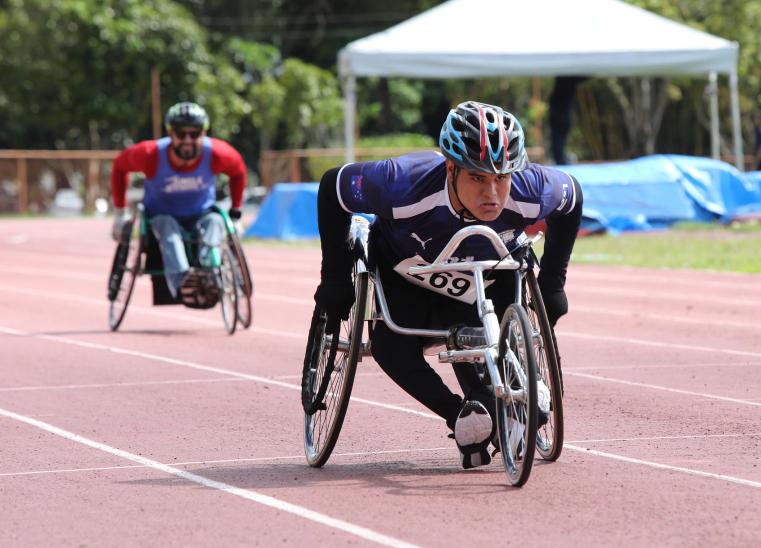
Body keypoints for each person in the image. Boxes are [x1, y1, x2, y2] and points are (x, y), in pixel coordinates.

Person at [313, 101, 583, 469]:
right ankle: (460, 416)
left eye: (502, 177)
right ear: (451, 168)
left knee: (486, 341)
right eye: (477, 177)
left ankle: (493, 401)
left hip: (488, 271)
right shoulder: (399, 182)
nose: (492, 192)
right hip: (409, 275)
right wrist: (334, 278)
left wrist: (553, 284)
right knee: (390, 347)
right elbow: (332, 187)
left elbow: (573, 199)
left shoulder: (533, 189)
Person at [110, 102, 246, 300]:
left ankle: (209, 274)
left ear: (204, 133)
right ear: (170, 133)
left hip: (201, 213)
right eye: (181, 134)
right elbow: (120, 166)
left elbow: (239, 171)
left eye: (195, 134)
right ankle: (184, 283)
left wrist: (235, 214)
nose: (188, 140)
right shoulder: (151, 154)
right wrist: (120, 213)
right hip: (162, 215)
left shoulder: (217, 153)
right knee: (168, 228)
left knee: (216, 222)